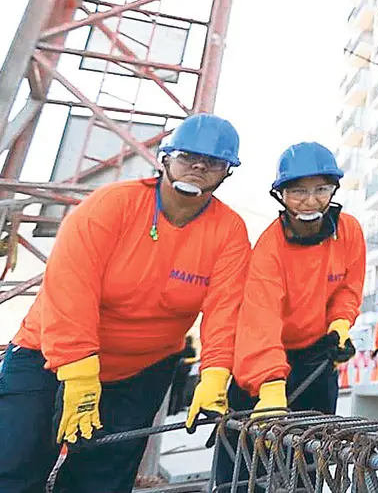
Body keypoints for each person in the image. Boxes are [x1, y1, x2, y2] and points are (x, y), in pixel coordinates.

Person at [0, 113, 251, 493]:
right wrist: (79, 371)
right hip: (48, 359)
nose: (199, 167)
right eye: (187, 156)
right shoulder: (111, 205)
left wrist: (214, 375)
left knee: (101, 480)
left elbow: (225, 310)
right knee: (15, 467)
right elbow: (70, 288)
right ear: (165, 158)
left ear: (226, 172)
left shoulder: (229, 231)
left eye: (213, 162)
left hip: (139, 373)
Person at [217, 141, 365, 487]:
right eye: (298, 191)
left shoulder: (350, 231)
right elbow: (261, 319)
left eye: (320, 190)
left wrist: (340, 325)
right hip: (262, 361)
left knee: (308, 459)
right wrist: (269, 387)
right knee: (245, 465)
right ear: (280, 195)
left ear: (334, 190)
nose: (310, 201)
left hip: (315, 357)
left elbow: (348, 287)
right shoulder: (269, 249)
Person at [167, 334, 199, 416]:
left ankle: (171, 409)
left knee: (173, 392)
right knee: (180, 391)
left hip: (176, 373)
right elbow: (193, 359)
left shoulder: (180, 349)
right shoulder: (191, 350)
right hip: (185, 373)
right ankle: (177, 408)